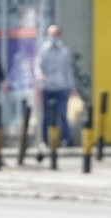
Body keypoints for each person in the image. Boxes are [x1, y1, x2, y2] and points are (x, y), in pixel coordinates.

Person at [34, 24, 74, 155]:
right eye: (51, 34)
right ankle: (45, 140)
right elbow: (37, 66)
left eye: (56, 34)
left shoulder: (65, 52)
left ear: (60, 35)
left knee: (63, 114)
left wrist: (72, 87)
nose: (53, 37)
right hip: (47, 87)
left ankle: (65, 139)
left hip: (61, 87)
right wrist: (39, 76)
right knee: (46, 116)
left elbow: (68, 71)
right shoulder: (43, 51)